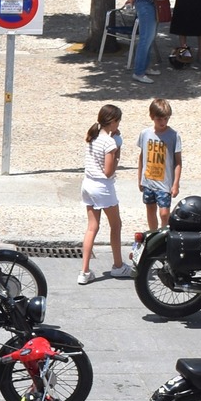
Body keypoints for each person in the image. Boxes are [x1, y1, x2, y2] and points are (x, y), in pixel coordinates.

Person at [79, 104, 128, 285]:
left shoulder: (93, 137)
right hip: (102, 187)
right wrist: (117, 151)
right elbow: (108, 171)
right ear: (113, 121)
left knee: (92, 227)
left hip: (87, 184)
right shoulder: (109, 143)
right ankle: (118, 265)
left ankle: (84, 271)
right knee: (116, 225)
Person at [136, 98, 184, 234]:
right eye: (159, 119)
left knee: (164, 213)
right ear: (152, 117)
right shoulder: (145, 134)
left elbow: (178, 162)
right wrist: (139, 178)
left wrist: (176, 184)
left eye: (166, 119)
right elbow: (142, 157)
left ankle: (164, 235)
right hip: (148, 180)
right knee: (150, 209)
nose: (163, 122)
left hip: (164, 182)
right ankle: (153, 234)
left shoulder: (173, 135)